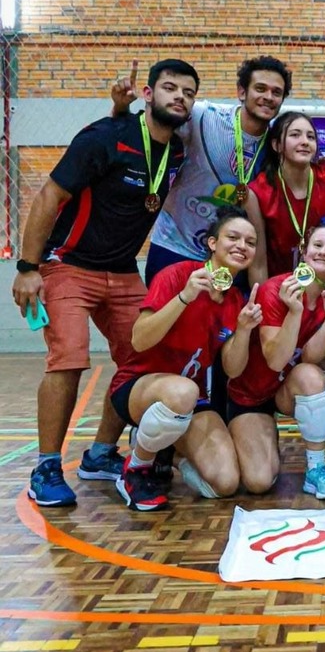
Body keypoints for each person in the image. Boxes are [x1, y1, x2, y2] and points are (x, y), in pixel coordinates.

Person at [12, 59, 198, 507]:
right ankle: (47, 467)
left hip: (123, 269)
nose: (179, 97)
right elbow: (49, 196)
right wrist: (27, 267)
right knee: (69, 360)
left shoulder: (175, 151)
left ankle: (99, 454)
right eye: (169, 88)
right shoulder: (104, 138)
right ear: (149, 94)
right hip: (68, 266)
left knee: (144, 359)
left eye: (188, 92)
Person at [108, 208, 262, 511]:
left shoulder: (234, 299)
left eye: (250, 242)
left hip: (190, 402)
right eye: (233, 237)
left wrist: (243, 331)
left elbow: (232, 369)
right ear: (213, 243)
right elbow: (139, 339)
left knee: (226, 483)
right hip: (140, 388)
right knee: (183, 392)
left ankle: (167, 448)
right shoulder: (178, 276)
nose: (242, 246)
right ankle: (136, 467)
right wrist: (183, 298)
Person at [112, 55, 291, 282]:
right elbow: (142, 135)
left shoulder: (279, 140)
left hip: (227, 254)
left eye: (276, 92)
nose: (268, 97)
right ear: (242, 92)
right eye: (260, 88)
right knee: (165, 316)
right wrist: (120, 108)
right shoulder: (203, 116)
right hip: (175, 246)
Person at [226, 225, 325, 499]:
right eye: (317, 245)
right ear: (304, 251)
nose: (323, 252)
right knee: (258, 482)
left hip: (285, 390)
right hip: (251, 395)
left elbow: (309, 359)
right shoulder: (275, 289)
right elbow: (275, 360)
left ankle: (316, 470)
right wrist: (295, 312)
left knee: (312, 376)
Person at [242, 110, 325, 285]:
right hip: (280, 290)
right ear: (277, 145)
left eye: (311, 137)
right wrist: (264, 302)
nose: (305, 142)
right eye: (295, 135)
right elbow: (258, 263)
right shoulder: (257, 192)